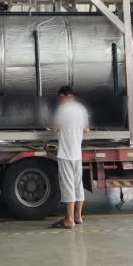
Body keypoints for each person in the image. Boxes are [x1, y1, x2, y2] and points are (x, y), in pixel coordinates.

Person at [50, 85, 89, 230]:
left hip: (66, 154)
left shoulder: (63, 109)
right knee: (78, 185)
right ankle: (78, 216)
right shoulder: (81, 109)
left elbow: (54, 127)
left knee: (68, 186)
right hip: (77, 154)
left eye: (60, 98)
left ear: (63, 96)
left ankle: (70, 220)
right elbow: (87, 129)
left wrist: (56, 127)